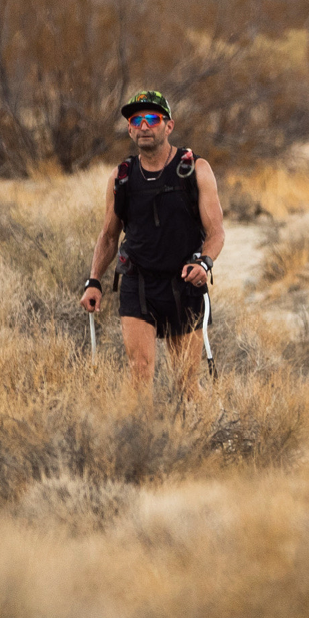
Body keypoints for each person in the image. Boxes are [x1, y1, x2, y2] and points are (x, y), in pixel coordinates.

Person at [79, 90, 225, 393]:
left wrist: (204, 262)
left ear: (168, 126)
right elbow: (108, 235)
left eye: (152, 118)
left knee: (187, 382)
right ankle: (140, 438)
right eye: (136, 120)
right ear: (130, 129)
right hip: (138, 283)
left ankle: (199, 436)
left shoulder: (195, 169)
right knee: (140, 372)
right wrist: (93, 281)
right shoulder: (121, 177)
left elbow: (216, 232)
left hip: (184, 283)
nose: (144, 126)